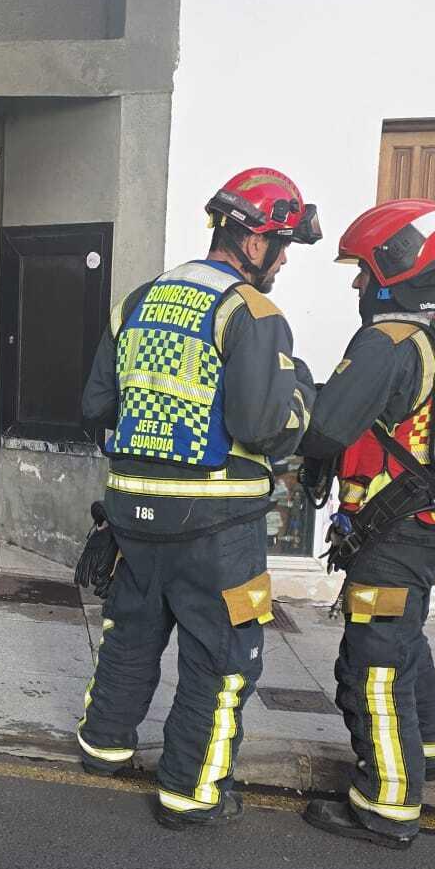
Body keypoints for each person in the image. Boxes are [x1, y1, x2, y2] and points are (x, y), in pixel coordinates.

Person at [76, 168, 318, 829]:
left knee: (130, 632)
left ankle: (104, 745)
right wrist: (301, 397)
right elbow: (261, 425)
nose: (285, 259)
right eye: (283, 244)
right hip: (218, 523)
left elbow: (95, 405)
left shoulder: (139, 300)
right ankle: (191, 790)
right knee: (220, 654)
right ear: (252, 241)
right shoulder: (253, 313)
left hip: (131, 514)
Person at [298, 200, 435, 849]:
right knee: (404, 636)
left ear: (394, 266)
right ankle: (425, 749)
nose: (356, 285)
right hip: (429, 531)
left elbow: (325, 427)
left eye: (362, 269)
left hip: (390, 537)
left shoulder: (391, 339)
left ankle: (387, 801)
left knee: (373, 662)